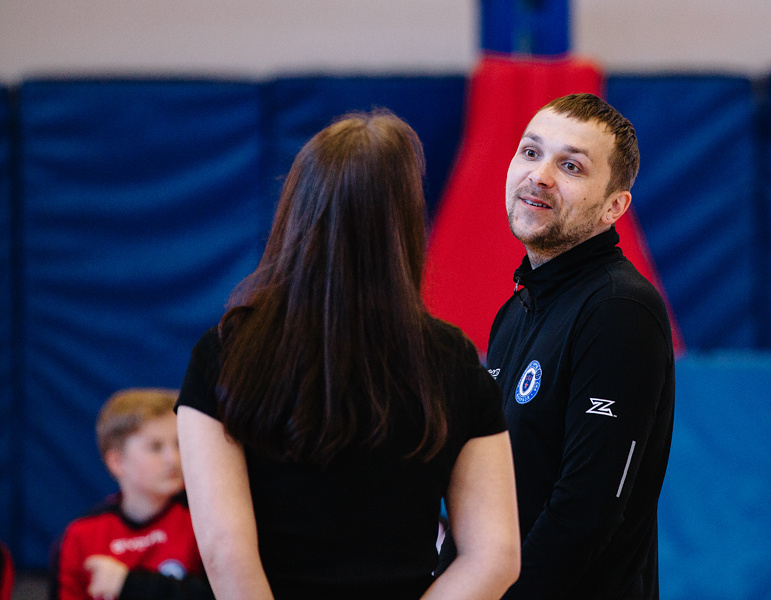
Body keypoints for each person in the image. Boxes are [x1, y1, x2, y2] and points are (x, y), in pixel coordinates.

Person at [175, 109, 520, 600]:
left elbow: (226, 550)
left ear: (296, 209)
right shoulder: (453, 361)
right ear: (404, 224)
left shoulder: (225, 352)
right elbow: (494, 557)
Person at [479, 93, 675, 599]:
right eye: (529, 152)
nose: (539, 176)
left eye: (570, 165)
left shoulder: (619, 310)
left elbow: (586, 511)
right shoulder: (515, 312)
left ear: (615, 207)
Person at [50, 388, 212, 600]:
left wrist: (129, 584)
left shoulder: (205, 518)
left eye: (179, 444)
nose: (173, 459)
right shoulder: (80, 536)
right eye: (155, 447)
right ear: (117, 462)